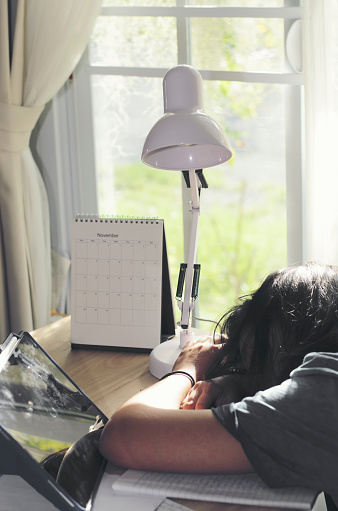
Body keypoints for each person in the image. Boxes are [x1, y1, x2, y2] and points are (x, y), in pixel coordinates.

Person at [99, 262, 338, 507]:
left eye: (248, 358)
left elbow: (123, 434)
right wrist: (241, 381)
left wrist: (186, 371)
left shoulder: (319, 396)